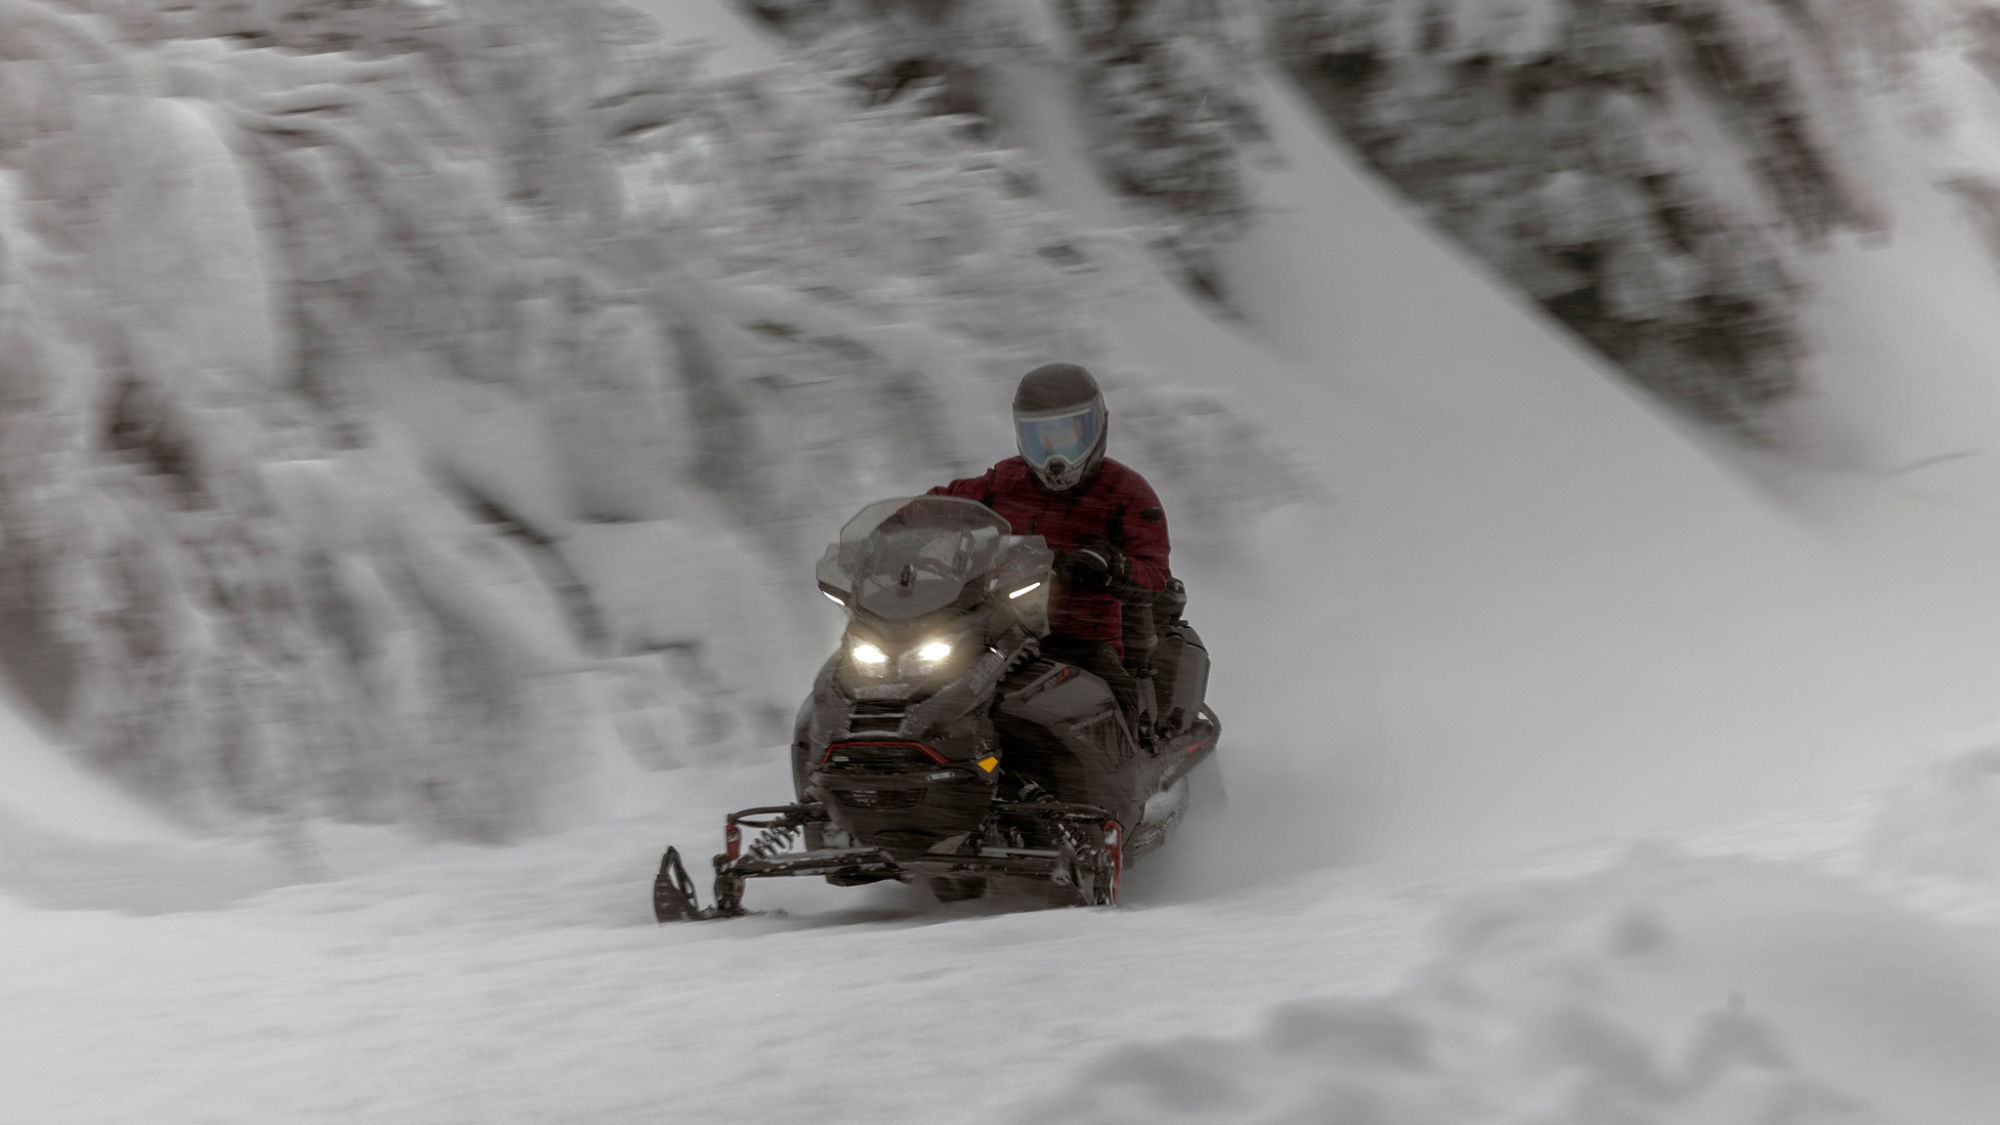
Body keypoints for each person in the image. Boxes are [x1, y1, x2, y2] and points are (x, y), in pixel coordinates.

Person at [927, 363, 1170, 721]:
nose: (1053, 454)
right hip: (995, 633)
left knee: (1109, 711)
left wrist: (1112, 566)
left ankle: (1128, 769)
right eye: (1041, 438)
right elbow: (946, 504)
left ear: (1095, 429)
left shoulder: (1126, 492)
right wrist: (903, 524)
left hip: (1080, 640)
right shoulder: (1005, 479)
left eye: (1066, 435)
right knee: (930, 692)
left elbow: (1155, 575)